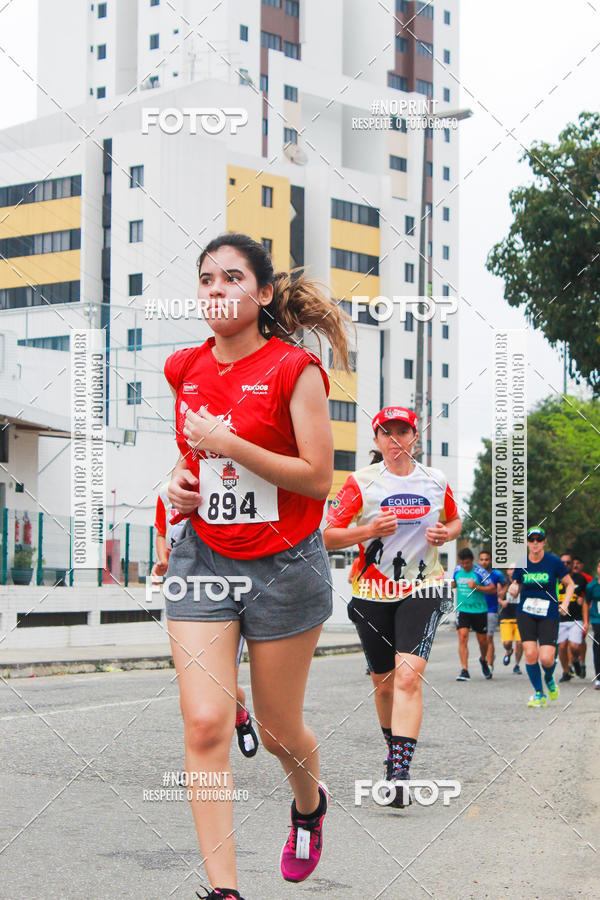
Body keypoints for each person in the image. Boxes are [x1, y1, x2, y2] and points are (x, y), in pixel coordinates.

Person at [163, 233, 351, 899]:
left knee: (277, 732)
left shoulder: (293, 370)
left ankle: (308, 803)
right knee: (206, 724)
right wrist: (180, 484)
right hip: (204, 558)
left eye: (233, 278)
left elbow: (317, 478)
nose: (218, 291)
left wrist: (228, 443)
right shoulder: (184, 368)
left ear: (262, 292)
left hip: (285, 564)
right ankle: (225, 891)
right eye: (207, 280)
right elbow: (192, 464)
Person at [323, 406, 461, 808]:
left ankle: (400, 773)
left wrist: (444, 532)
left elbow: (455, 521)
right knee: (383, 684)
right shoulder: (360, 483)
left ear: (415, 438)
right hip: (371, 592)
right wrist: (369, 530)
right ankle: (392, 751)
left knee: (407, 677)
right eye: (387, 433)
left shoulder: (435, 480)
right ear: (377, 440)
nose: (395, 440)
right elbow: (327, 536)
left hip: (424, 587)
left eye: (403, 432)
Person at [152, 483, 259, 758]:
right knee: (191, 684)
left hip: (224, 591)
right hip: (184, 591)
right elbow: (161, 533)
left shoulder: (219, 489)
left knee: (223, 684)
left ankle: (240, 717)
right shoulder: (166, 494)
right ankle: (201, 756)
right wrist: (163, 560)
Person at [508, 527, 575, 708]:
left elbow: (570, 584)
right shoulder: (522, 563)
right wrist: (512, 590)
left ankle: (548, 678)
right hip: (526, 613)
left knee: (546, 658)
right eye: (532, 540)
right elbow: (515, 587)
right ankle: (539, 693)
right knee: (530, 653)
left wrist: (565, 603)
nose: (535, 543)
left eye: (539, 540)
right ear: (527, 543)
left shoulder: (553, 562)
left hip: (549, 613)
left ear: (544, 542)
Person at [452, 548, 496, 681]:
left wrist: (477, 587)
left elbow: (492, 588)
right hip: (463, 609)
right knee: (462, 637)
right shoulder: (457, 570)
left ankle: (483, 660)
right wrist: (449, 585)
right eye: (462, 563)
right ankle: (464, 670)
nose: (464, 566)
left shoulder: (480, 572)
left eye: (467, 563)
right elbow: (455, 583)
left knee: (483, 642)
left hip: (479, 610)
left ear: (472, 561)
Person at [557, 553, 588, 683]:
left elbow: (586, 601)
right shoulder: (555, 579)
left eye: (568, 562)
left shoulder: (580, 579)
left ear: (572, 564)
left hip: (576, 619)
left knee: (575, 646)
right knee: (562, 646)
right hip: (560, 620)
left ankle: (576, 660)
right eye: (562, 562)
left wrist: (586, 622)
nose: (565, 565)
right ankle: (566, 671)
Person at [478, 550, 506, 672]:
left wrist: (501, 593)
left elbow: (505, 584)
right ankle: (485, 658)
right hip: (478, 609)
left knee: (489, 637)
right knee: (482, 638)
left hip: (491, 609)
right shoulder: (476, 574)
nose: (484, 562)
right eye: (482, 559)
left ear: (491, 561)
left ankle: (489, 664)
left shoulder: (496, 574)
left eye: (486, 559)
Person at [498, 566, 523, 674]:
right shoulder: (504, 583)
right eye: (510, 569)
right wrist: (501, 601)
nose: (513, 571)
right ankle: (509, 651)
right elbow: (497, 595)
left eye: (515, 569)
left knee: (520, 643)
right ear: (507, 571)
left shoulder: (523, 583)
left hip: (520, 616)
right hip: (506, 616)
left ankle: (517, 665)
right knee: (507, 643)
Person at [584, 559, 600, 689]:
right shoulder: (591, 586)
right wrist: (586, 621)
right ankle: (598, 677)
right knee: (597, 647)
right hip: (597, 620)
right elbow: (586, 602)